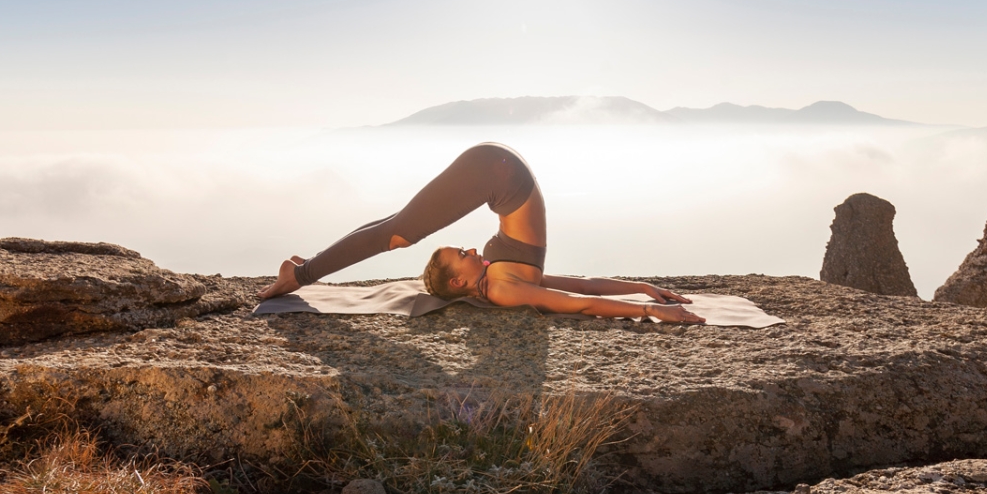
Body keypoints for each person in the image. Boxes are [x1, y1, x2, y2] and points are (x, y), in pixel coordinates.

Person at [257, 143, 705, 324]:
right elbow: (581, 295)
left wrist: (645, 293)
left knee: (398, 230)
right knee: (397, 231)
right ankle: (299, 272)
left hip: (499, 174)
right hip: (499, 174)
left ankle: (301, 271)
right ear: (460, 283)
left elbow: (581, 292)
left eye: (462, 250)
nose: (472, 249)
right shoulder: (507, 290)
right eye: (463, 254)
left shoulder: (496, 281)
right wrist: (646, 305)